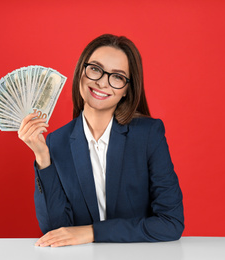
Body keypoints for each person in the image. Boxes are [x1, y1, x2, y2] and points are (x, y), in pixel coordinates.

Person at [18, 34, 184, 247]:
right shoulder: (56, 141)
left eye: (117, 77)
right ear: (81, 73)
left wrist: (92, 232)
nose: (102, 82)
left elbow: (170, 223)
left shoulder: (148, 135)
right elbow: (55, 230)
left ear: (126, 90)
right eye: (95, 69)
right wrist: (42, 157)